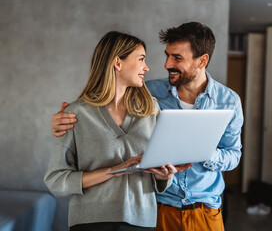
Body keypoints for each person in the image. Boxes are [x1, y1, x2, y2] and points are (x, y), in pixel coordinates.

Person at [51, 22, 244, 231]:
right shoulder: (148, 95)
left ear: (202, 60)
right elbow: (100, 107)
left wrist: (201, 151)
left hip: (203, 208)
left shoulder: (228, 101)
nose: (166, 64)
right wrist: (63, 120)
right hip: (158, 208)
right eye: (167, 55)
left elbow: (233, 155)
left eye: (177, 58)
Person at [44, 31, 178, 231]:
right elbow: (55, 180)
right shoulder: (75, 114)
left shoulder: (152, 110)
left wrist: (164, 176)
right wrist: (112, 171)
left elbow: (159, 170)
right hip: (90, 222)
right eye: (141, 59)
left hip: (141, 221)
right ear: (118, 63)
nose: (146, 67)